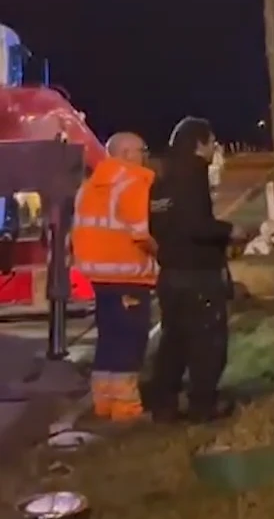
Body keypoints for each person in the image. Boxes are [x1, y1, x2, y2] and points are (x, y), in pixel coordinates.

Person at [147, 117, 237, 422]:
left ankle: (163, 402)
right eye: (212, 142)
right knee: (207, 342)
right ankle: (203, 404)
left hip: (170, 274)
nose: (214, 148)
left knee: (174, 340)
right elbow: (197, 226)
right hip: (198, 275)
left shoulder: (162, 179)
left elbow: (161, 225)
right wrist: (229, 231)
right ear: (199, 145)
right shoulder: (193, 175)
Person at [71, 131, 157, 422]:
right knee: (129, 342)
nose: (145, 154)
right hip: (129, 275)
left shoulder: (90, 185)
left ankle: (103, 403)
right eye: (141, 149)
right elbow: (141, 233)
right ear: (126, 153)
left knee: (108, 340)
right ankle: (126, 410)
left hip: (99, 276)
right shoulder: (133, 181)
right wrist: (164, 254)